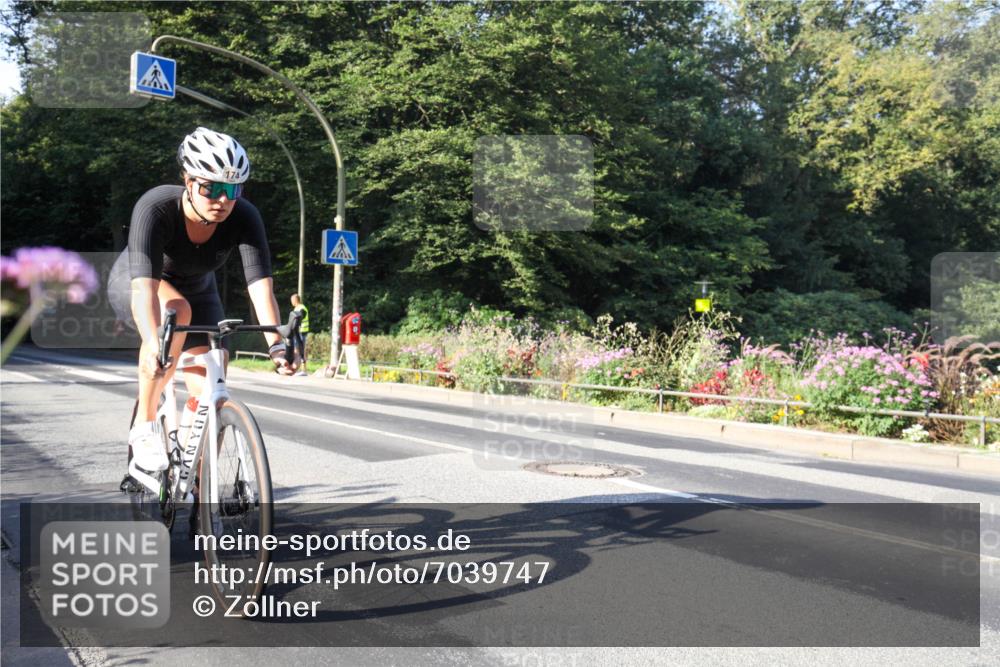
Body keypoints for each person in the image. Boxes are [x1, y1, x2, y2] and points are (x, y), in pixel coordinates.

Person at [110, 127, 295, 476]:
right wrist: (152, 343)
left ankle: (198, 482)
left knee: (214, 375)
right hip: (140, 282)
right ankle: (145, 425)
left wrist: (277, 346)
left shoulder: (243, 216)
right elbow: (144, 291)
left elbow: (260, 286)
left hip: (198, 289)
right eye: (211, 187)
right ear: (187, 179)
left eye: (232, 189)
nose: (222, 200)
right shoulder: (156, 207)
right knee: (175, 314)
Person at [290, 293, 309, 375]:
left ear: (295, 300)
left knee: (299, 350)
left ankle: (302, 370)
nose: (291, 302)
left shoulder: (301, 308)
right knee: (298, 350)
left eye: (292, 300)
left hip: (301, 332)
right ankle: (299, 369)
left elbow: (299, 319)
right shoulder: (298, 308)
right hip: (299, 332)